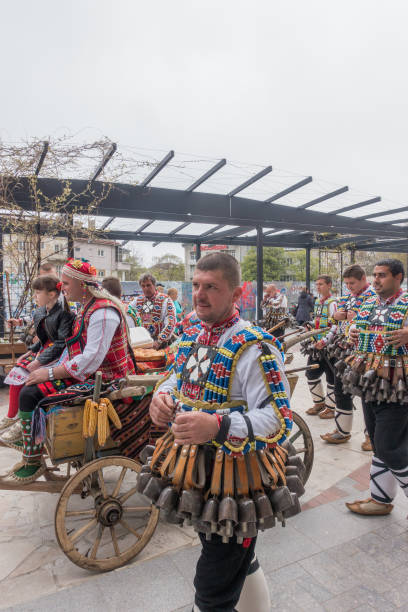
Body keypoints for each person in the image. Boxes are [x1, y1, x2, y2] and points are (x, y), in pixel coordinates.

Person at [146, 253, 301, 612]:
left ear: (237, 292)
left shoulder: (255, 346)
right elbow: (174, 377)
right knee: (234, 557)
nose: (199, 294)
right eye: (197, 285)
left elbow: (279, 419)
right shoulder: (190, 335)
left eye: (211, 287)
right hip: (195, 473)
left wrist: (217, 425)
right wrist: (162, 396)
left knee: (212, 590)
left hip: (239, 479)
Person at [0, 257, 136, 484]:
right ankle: (29, 448)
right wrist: (45, 365)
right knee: (28, 385)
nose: (61, 287)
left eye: (66, 283)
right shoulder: (87, 307)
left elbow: (91, 359)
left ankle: (32, 459)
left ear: (83, 286)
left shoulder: (103, 312)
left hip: (107, 378)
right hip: (89, 373)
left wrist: (50, 373)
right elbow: (74, 349)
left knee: (31, 393)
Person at [343, 259, 408, 516]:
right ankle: (380, 499)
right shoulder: (368, 302)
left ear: (398, 277)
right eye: (375, 275)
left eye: (382, 275)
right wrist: (352, 332)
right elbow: (354, 327)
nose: (376, 280)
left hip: (398, 387)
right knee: (379, 444)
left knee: (389, 445)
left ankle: (381, 498)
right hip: (369, 382)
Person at [0, 276, 74, 445]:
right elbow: (42, 339)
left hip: (57, 355)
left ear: (52, 294)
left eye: (38, 292)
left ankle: (22, 420)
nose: (35, 296)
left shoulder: (64, 314)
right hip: (44, 350)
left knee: (28, 378)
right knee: (17, 372)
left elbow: (61, 343)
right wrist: (30, 352)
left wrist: (39, 361)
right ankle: (12, 415)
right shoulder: (41, 311)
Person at [320, 265, 375, 445]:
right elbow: (334, 320)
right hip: (344, 350)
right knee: (341, 389)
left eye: (352, 283)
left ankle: (371, 436)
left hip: (366, 352)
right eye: (347, 283)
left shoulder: (373, 297)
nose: (349, 287)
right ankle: (342, 430)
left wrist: (353, 318)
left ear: (363, 279)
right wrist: (336, 317)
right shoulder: (346, 297)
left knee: (367, 394)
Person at [303, 275, 337, 418]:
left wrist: (325, 340)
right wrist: (310, 326)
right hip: (316, 346)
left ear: (329, 285)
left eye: (321, 284)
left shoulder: (333, 303)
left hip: (330, 346)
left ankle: (330, 407)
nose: (318, 287)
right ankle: (319, 402)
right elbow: (319, 321)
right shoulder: (318, 302)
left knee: (331, 377)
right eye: (316, 284)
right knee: (311, 374)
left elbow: (335, 325)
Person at [131, 273, 176, 349]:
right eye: (143, 286)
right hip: (140, 343)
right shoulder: (136, 301)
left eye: (148, 285)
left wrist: (159, 341)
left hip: (161, 344)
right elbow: (128, 315)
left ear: (154, 285)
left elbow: (171, 323)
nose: (146, 288)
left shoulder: (166, 300)